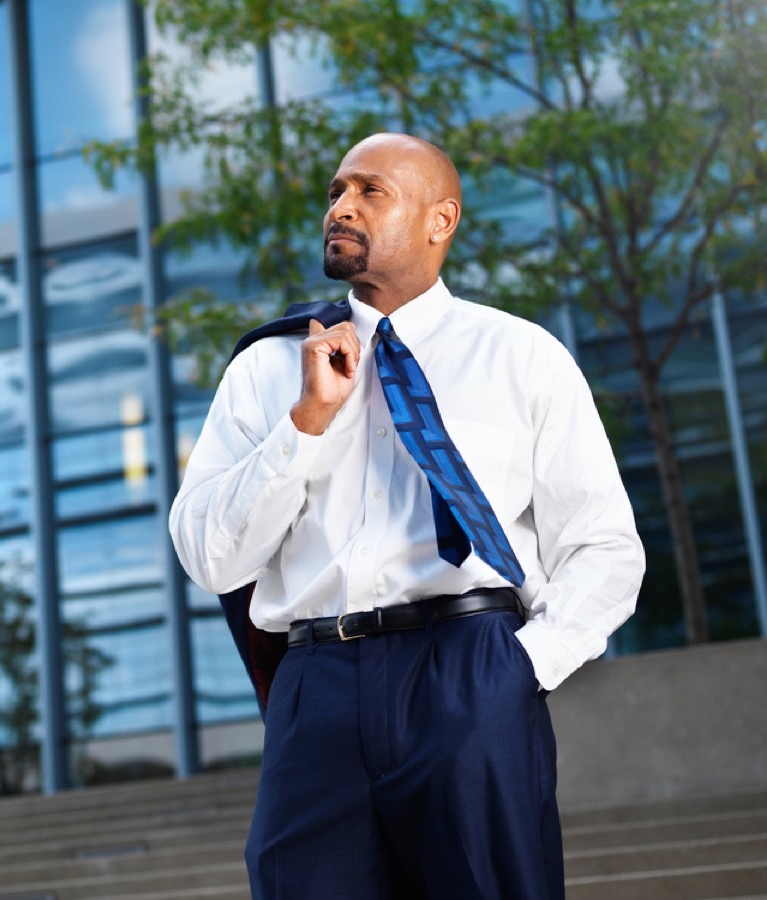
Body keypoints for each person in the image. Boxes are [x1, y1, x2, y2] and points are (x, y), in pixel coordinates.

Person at [168, 133, 645, 899]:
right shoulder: (268, 368)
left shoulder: (523, 357)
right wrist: (304, 425)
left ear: (440, 220)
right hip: (317, 686)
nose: (340, 208)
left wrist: (522, 668)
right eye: (335, 192)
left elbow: (603, 547)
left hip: (470, 666)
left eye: (369, 191)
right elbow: (208, 556)